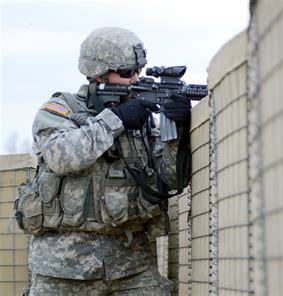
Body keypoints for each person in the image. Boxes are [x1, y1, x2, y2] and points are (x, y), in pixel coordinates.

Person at [26, 27, 191, 295]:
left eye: (139, 71)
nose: (135, 79)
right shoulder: (60, 110)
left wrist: (178, 132)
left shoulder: (143, 119)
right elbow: (61, 157)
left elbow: (171, 180)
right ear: (97, 73)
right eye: (127, 73)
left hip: (132, 264)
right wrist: (117, 120)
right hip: (64, 267)